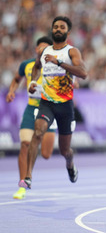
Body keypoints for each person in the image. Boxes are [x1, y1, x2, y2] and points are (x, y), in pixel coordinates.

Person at [19, 16, 88, 190]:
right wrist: (34, 83)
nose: (58, 29)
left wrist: (59, 62)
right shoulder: (44, 52)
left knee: (65, 150)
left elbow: (83, 73)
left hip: (65, 105)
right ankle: (28, 176)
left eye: (62, 27)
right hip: (46, 102)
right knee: (38, 131)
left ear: (67, 31)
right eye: (55, 26)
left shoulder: (72, 52)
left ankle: (70, 164)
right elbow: (36, 67)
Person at [6, 36, 56, 199]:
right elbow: (16, 79)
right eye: (41, 48)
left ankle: (38, 142)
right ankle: (23, 183)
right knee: (24, 144)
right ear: (36, 49)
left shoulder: (55, 65)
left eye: (46, 48)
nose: (43, 51)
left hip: (49, 109)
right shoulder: (26, 65)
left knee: (47, 153)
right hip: (31, 108)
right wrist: (12, 90)